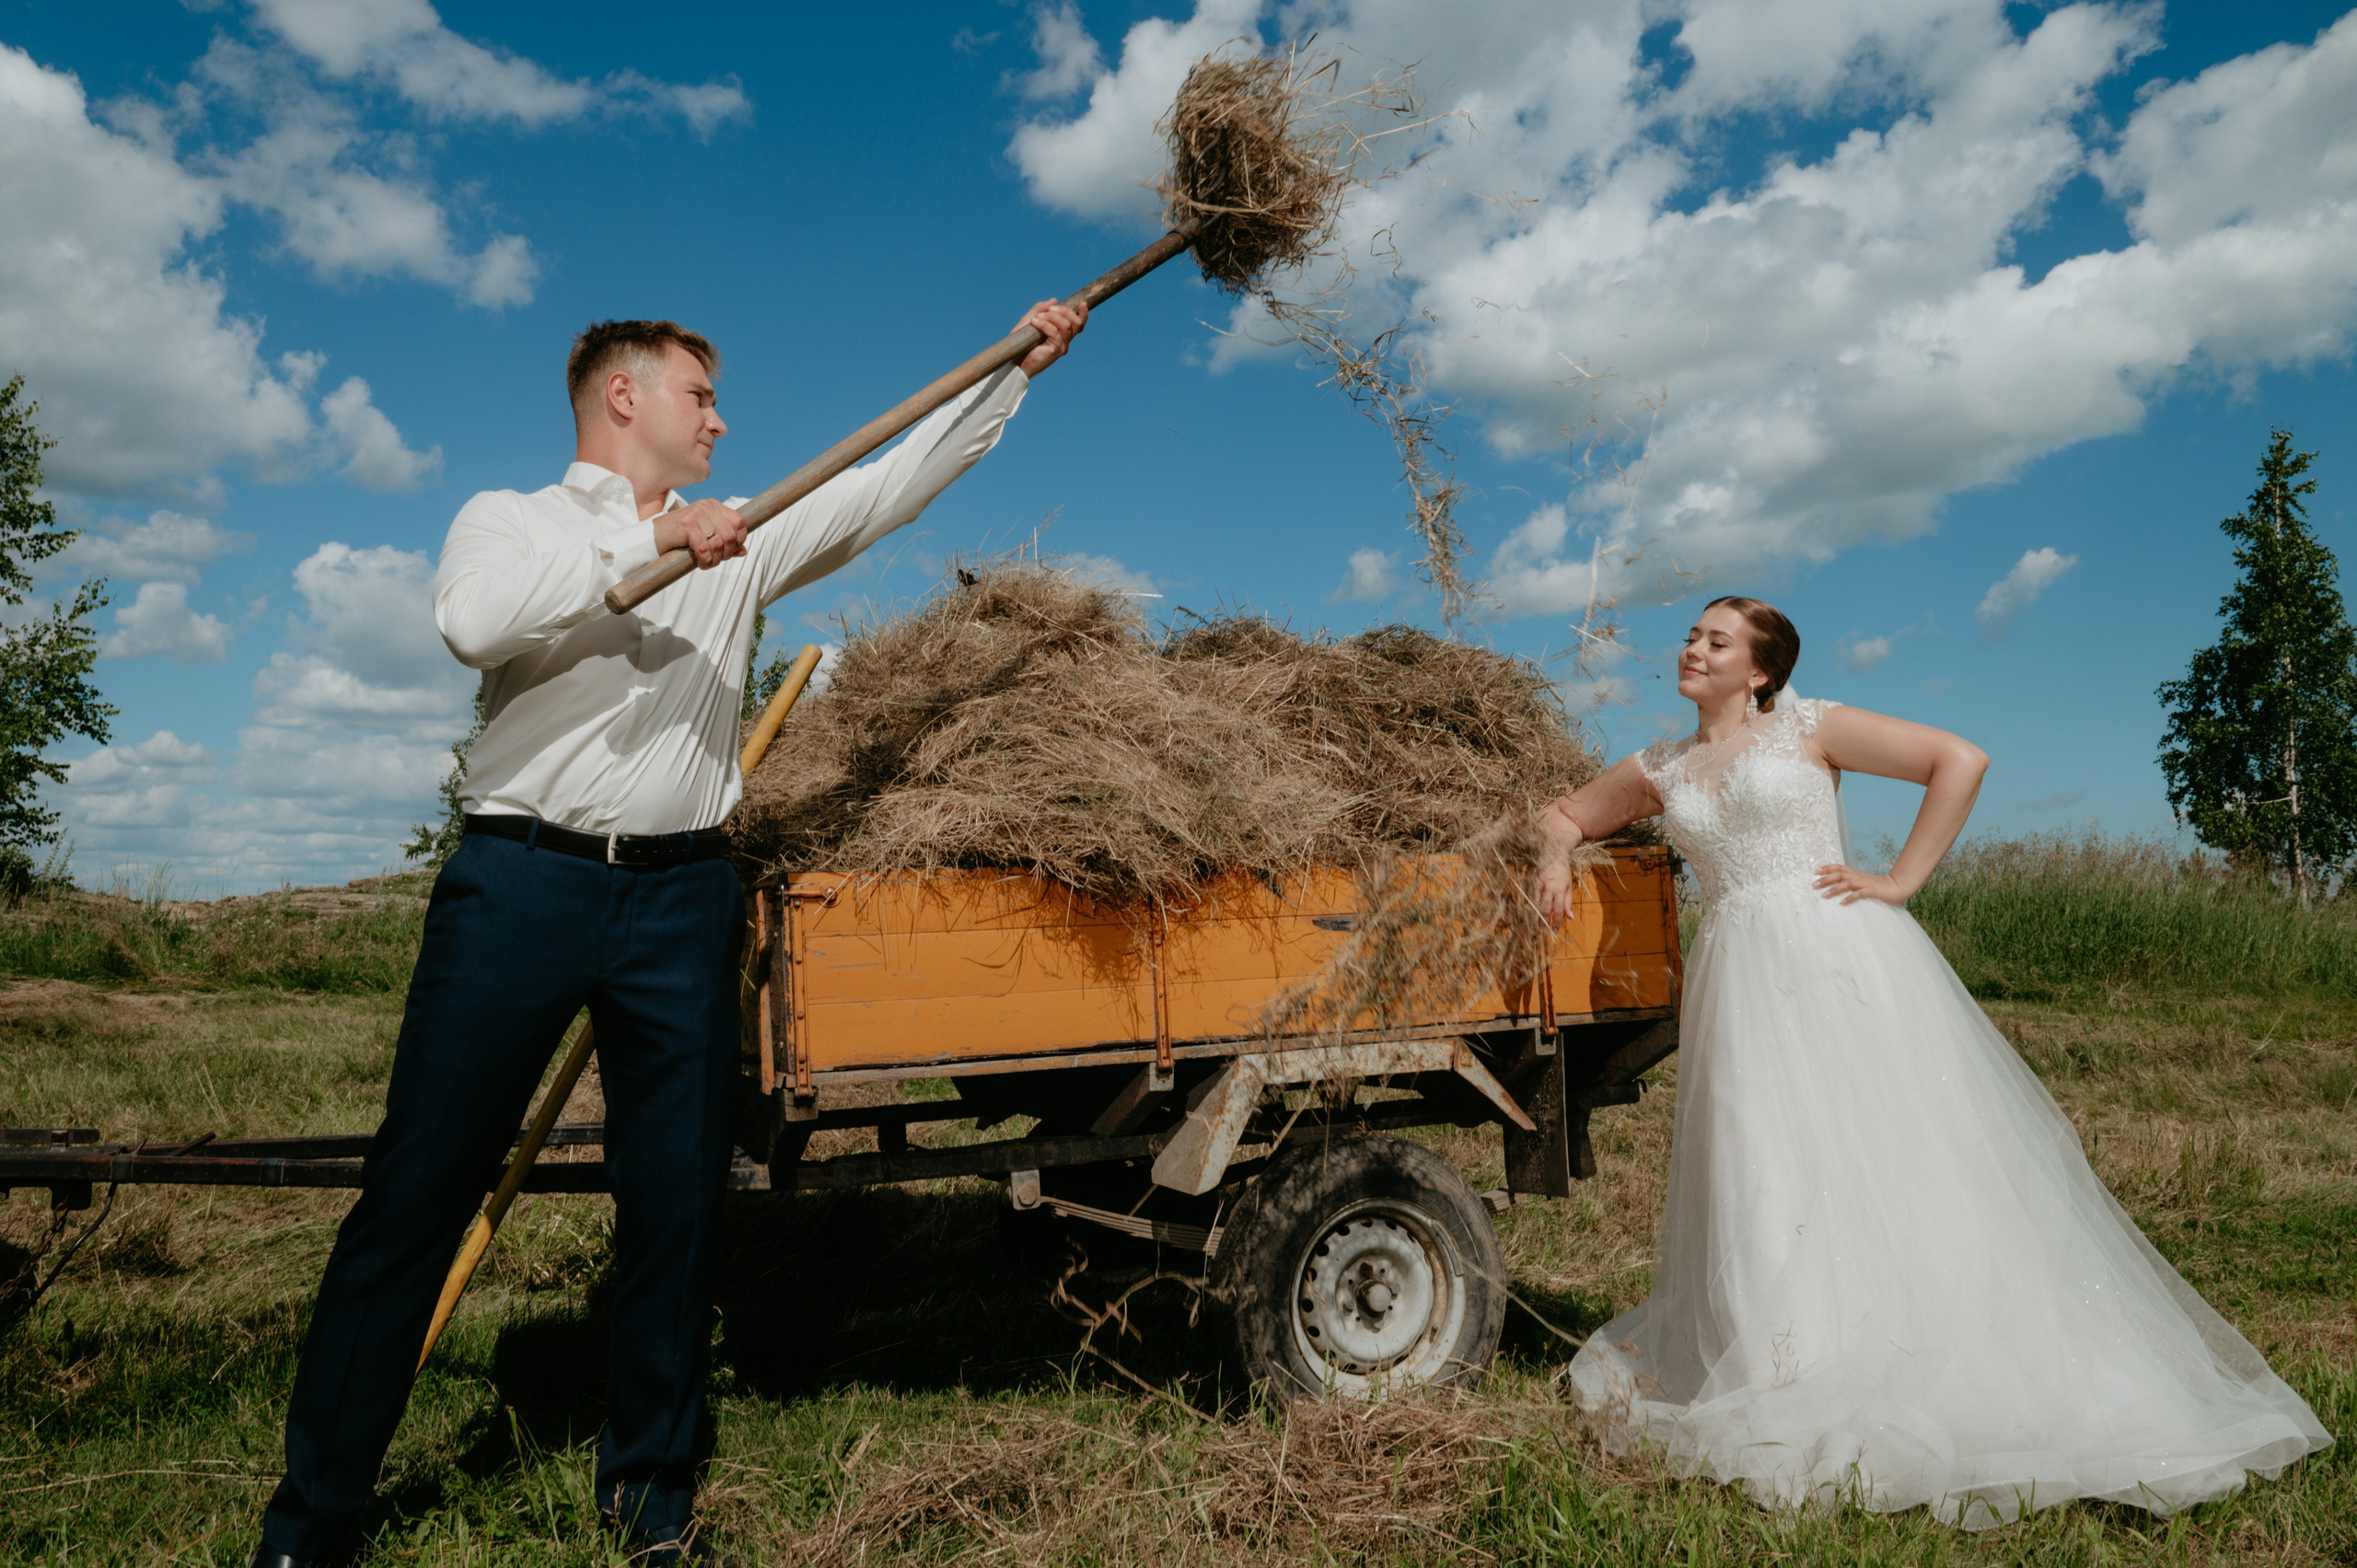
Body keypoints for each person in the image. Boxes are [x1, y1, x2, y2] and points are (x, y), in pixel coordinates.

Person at [250, 300, 1088, 1568]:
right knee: (416, 1189)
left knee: (676, 1201)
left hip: (683, 893)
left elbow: (884, 485)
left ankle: (650, 1491)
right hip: (520, 882)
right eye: (701, 394)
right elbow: (475, 623)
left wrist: (1010, 375)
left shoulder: (740, 534)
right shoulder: (511, 519)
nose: (721, 419)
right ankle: (311, 1519)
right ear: (623, 395)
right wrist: (652, 539)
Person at [1533, 596, 2330, 1528]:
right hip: (1739, 976)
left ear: (1760, 670)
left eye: (1717, 640)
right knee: (1762, 1162)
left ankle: (1926, 1346)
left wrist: (1901, 878)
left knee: (1887, 1151)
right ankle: (1781, 1358)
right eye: (1691, 636)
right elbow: (1562, 813)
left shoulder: (1810, 725)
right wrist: (1555, 856)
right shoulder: (1662, 765)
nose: (1693, 648)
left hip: (1836, 951)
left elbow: (1960, 759)